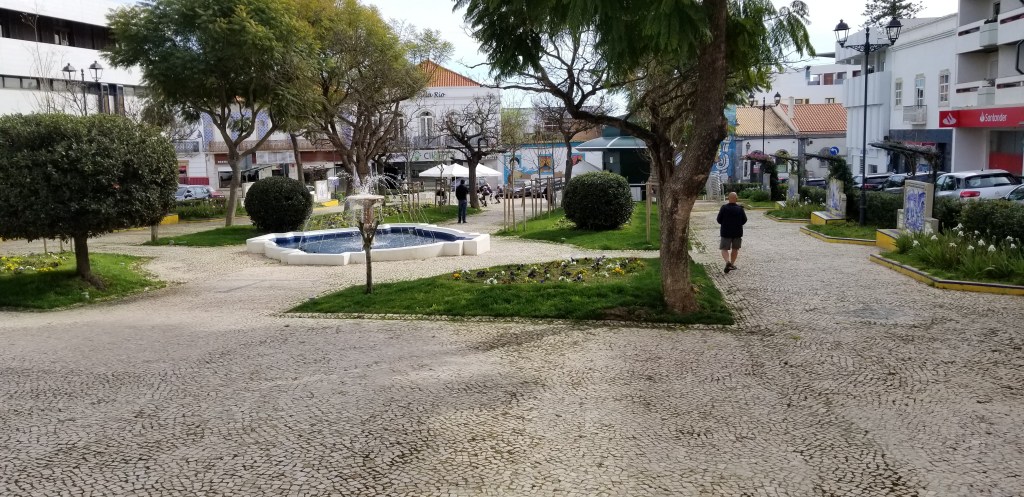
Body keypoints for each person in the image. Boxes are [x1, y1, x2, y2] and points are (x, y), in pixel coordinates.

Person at [717, 191, 747, 273]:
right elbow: (744, 220)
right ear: (736, 198)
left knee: (724, 248)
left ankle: (727, 262)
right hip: (737, 232)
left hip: (725, 232)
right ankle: (732, 264)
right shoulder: (740, 209)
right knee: (735, 249)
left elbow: (719, 220)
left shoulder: (724, 208)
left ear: (728, 198)